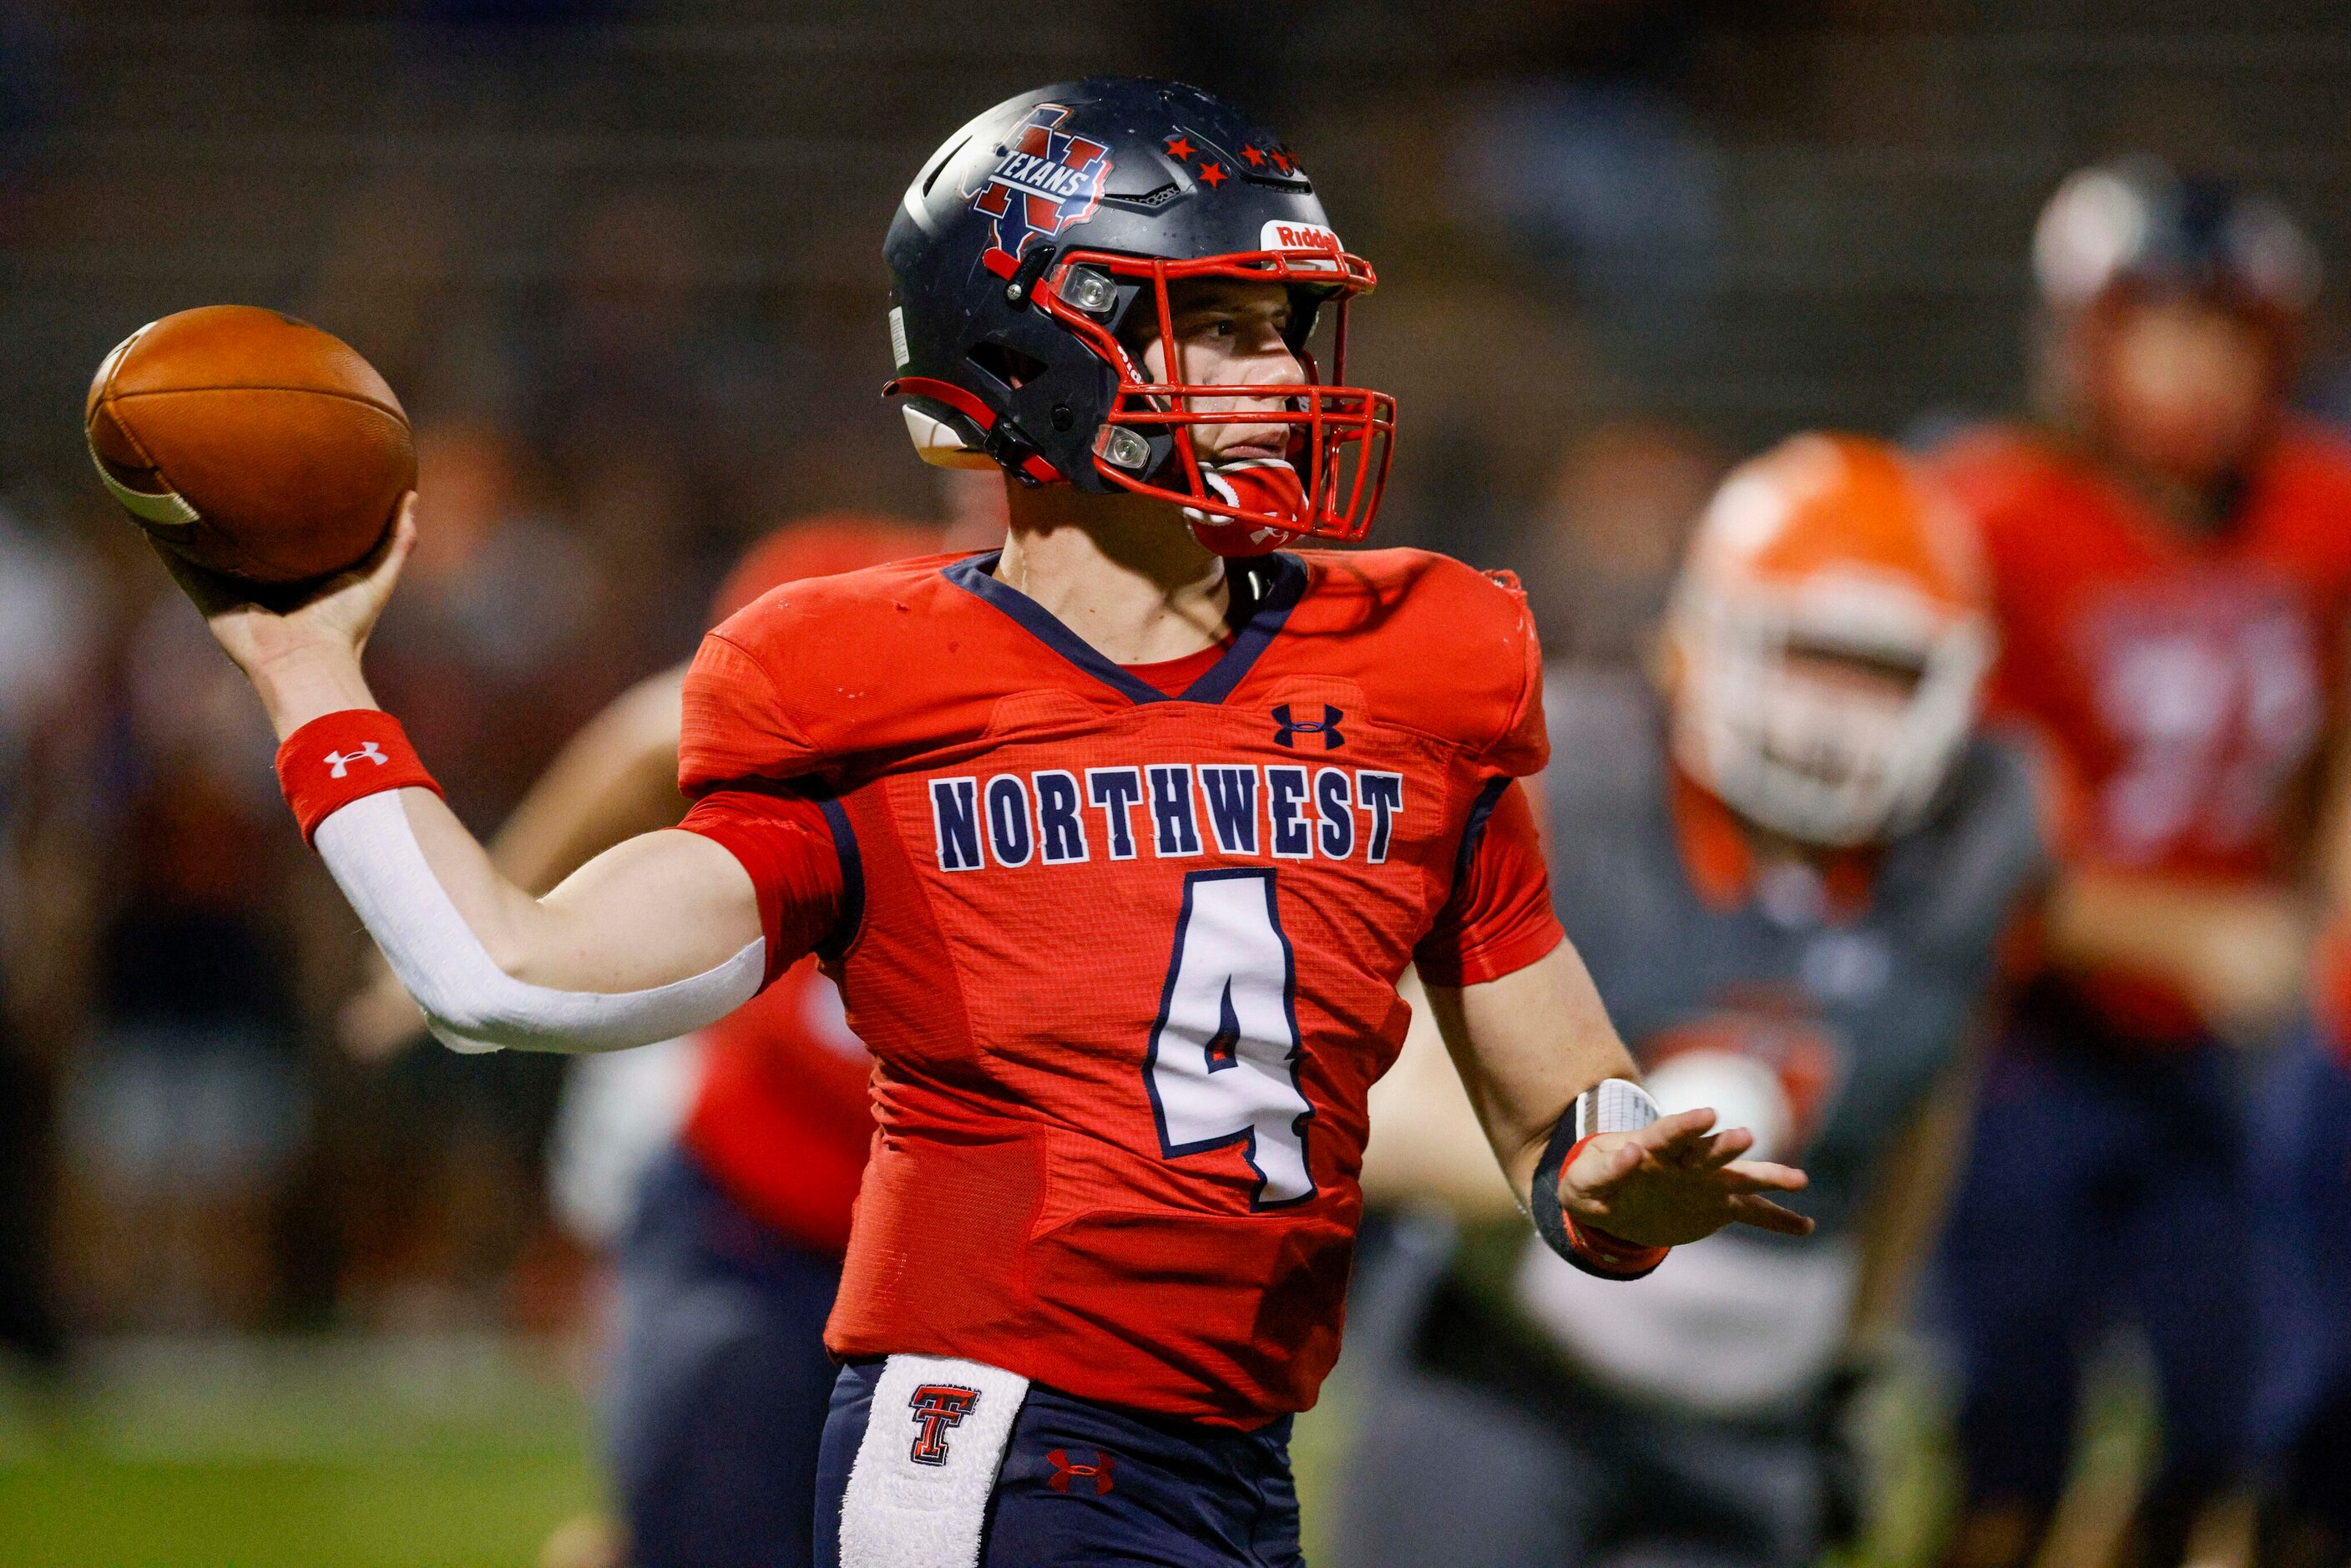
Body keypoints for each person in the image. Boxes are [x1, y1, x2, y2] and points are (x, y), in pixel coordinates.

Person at [154, 78, 1813, 1568]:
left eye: (1282, 326)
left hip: (1237, 1461)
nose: (1273, 377)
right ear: (1031, 350)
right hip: (992, 1442)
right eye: (1214, 325)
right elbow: (504, 974)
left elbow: (1552, 1103)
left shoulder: (1423, 659)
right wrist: (311, 673)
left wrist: (1606, 1175)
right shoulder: (862, 680)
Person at [1336, 433, 2047, 1568]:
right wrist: (1591, 1161)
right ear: (1696, 639)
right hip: (1514, 1373)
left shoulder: (1979, 837)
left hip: (1757, 1417)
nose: (1838, 709)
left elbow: (1924, 1093)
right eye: (1811, 654)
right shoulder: (1571, 781)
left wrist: (1858, 1354)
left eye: (1884, 671)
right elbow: (1377, 1107)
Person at [343, 513, 938, 1568]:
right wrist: (490, 910)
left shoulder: (1167, 647)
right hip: (762, 1199)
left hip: (959, 1261)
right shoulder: (856, 584)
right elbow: (641, 741)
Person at [1930, 159, 2351, 1568]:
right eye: (2158, 322)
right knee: (2012, 1433)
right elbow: (1954, 842)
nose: (2194, 365)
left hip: (2219, 1057)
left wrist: (2314, 900)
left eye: (2224, 329)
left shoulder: (2318, 509)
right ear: (2080, 339)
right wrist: (2187, 936)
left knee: (2227, 1427)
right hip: (2023, 1034)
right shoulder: (1991, 520)